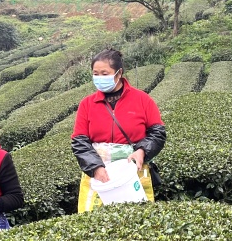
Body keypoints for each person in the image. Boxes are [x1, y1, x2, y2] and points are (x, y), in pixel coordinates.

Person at [71, 48, 167, 212]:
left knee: (139, 218)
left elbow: (157, 133)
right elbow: (79, 141)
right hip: (99, 173)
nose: (99, 78)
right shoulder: (87, 104)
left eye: (104, 73)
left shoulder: (142, 99)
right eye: (96, 74)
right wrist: (95, 167)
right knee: (94, 221)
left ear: (119, 73)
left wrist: (142, 151)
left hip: (133, 170)